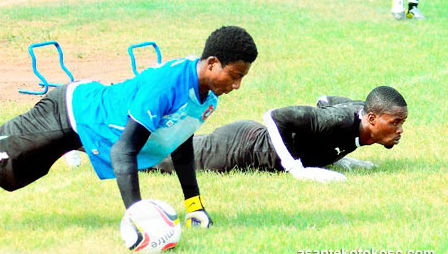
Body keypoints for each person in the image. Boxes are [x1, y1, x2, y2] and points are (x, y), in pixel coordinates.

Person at [0, 25, 259, 229]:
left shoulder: (208, 96)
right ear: (212, 63)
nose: (237, 85)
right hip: (68, 112)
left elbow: (179, 143)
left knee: (21, 174)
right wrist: (137, 215)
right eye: (234, 74)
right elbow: (124, 150)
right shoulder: (167, 84)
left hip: (88, 131)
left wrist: (194, 204)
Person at [153, 86, 408, 183]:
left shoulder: (359, 117)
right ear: (372, 119)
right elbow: (275, 116)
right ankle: (119, 145)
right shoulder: (338, 120)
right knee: (160, 158)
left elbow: (325, 99)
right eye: (395, 122)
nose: (399, 130)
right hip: (241, 149)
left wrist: (335, 155)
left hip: (247, 143)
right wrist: (296, 168)